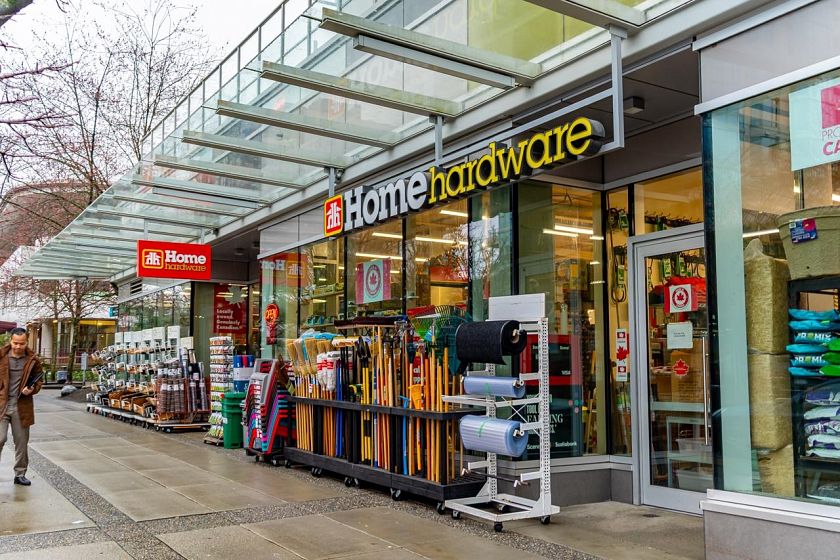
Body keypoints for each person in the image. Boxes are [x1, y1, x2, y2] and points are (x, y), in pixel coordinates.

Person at [0, 327, 44, 485]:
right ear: (10, 341)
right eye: (15, 343)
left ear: (27, 342)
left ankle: (20, 474)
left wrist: (32, 389)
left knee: (21, 442)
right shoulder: (1, 356)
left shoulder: (32, 360)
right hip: (2, 405)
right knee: (0, 438)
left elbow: (39, 380)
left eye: (22, 343)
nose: (18, 346)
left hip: (22, 406)